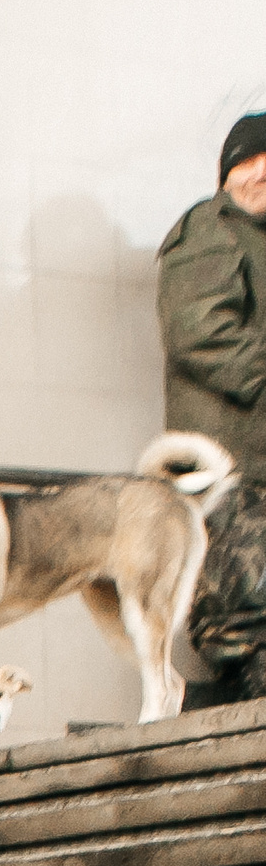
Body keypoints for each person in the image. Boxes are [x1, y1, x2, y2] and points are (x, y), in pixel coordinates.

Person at [164, 113, 266, 706]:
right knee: (240, 618)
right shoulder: (211, 227)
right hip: (231, 477)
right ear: (225, 173)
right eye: (246, 161)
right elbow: (199, 332)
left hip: (252, 474)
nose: (261, 172)